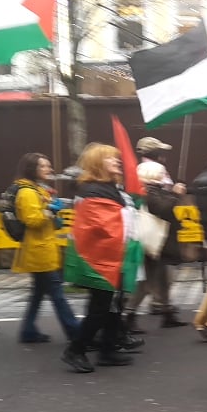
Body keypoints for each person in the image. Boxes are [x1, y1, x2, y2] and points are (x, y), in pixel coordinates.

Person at [60, 143, 143, 373]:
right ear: (98, 164)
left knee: (112, 305)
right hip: (98, 259)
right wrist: (127, 216)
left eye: (117, 158)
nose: (117, 162)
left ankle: (108, 349)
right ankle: (75, 350)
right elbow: (102, 225)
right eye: (110, 159)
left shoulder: (109, 189)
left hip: (112, 258)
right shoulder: (93, 191)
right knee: (100, 308)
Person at [10, 153, 80, 344]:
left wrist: (52, 214)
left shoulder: (37, 189)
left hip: (42, 247)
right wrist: (51, 211)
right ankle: (75, 332)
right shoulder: (27, 192)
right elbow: (32, 220)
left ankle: (28, 330)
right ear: (32, 169)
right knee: (57, 294)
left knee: (39, 293)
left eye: (48, 166)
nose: (49, 169)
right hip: (38, 250)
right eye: (44, 166)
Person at [123, 161, 189, 332]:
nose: (164, 174)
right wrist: (175, 195)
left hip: (158, 242)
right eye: (161, 172)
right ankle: (128, 315)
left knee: (162, 280)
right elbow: (161, 209)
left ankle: (167, 313)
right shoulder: (148, 192)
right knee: (147, 282)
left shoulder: (153, 190)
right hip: (152, 242)